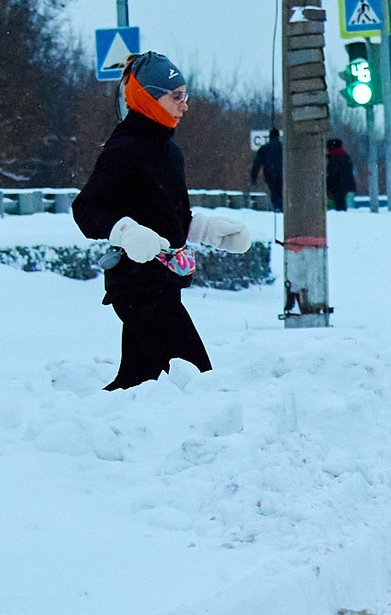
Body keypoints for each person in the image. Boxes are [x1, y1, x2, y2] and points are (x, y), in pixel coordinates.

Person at [71, 52, 253, 391]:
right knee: (197, 380)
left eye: (186, 95)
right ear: (148, 97)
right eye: (176, 96)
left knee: (139, 384)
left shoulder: (170, 152)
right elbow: (86, 209)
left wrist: (212, 232)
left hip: (163, 283)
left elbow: (169, 217)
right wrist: (125, 232)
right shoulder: (124, 149)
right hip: (137, 286)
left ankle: (93, 433)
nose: (185, 105)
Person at [250, 131, 283, 211]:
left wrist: (253, 177)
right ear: (278, 137)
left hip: (270, 175)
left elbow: (257, 164)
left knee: (274, 192)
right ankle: (281, 207)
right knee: (281, 192)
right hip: (282, 175)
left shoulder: (264, 148)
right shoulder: (283, 147)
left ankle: (277, 207)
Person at [325, 137, 358, 211]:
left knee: (338, 206)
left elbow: (331, 174)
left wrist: (326, 185)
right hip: (346, 185)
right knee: (341, 204)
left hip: (336, 186)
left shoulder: (334, 158)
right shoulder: (346, 156)